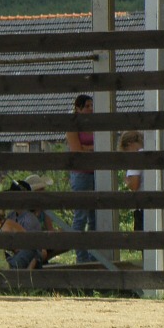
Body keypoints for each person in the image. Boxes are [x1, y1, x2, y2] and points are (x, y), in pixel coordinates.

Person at [66, 93, 98, 263]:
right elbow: (76, 150)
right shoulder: (73, 127)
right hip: (80, 175)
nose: (90, 109)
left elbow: (104, 145)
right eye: (87, 106)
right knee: (81, 216)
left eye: (92, 105)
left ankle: (94, 258)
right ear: (77, 108)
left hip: (97, 173)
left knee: (95, 218)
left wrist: (88, 147)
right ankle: (81, 259)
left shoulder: (95, 125)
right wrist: (91, 148)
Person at [119, 130, 145, 232]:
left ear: (129, 145)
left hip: (144, 206)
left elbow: (134, 185)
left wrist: (127, 181)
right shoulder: (152, 150)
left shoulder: (135, 157)